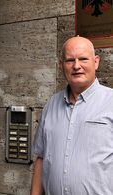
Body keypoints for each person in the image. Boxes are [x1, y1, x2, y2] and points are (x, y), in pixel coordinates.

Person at [31, 36, 113, 195]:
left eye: (83, 59)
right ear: (61, 65)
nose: (76, 66)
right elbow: (41, 159)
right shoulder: (51, 105)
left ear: (96, 62)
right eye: (70, 60)